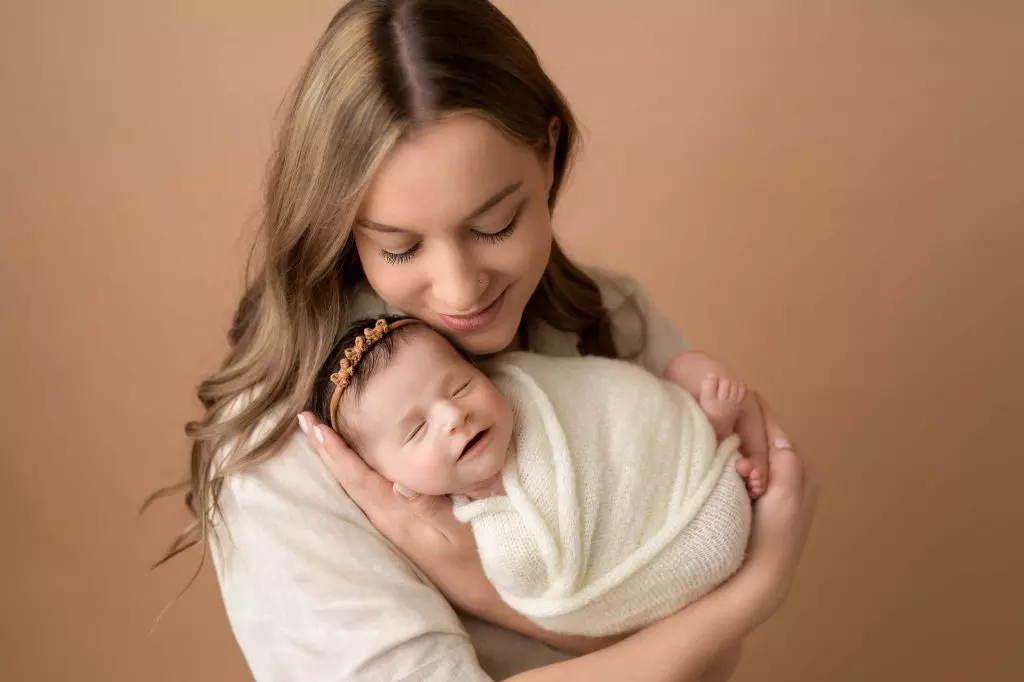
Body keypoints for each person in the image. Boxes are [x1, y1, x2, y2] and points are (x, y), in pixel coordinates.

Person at [155, 1, 817, 680]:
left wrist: (490, 589)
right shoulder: (283, 446)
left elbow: (702, 648)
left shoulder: (609, 318)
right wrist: (750, 593)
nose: (460, 289)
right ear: (341, 224)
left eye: (494, 225)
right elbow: (707, 622)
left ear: (549, 150)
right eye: (402, 247)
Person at [308, 314, 766, 638]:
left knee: (686, 371)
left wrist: (674, 429)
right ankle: (707, 464)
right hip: (690, 530)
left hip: (671, 443)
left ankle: (702, 435)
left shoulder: (522, 387)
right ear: (398, 484)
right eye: (417, 429)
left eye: (461, 385)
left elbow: (604, 402)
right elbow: (534, 583)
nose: (453, 415)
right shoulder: (505, 540)